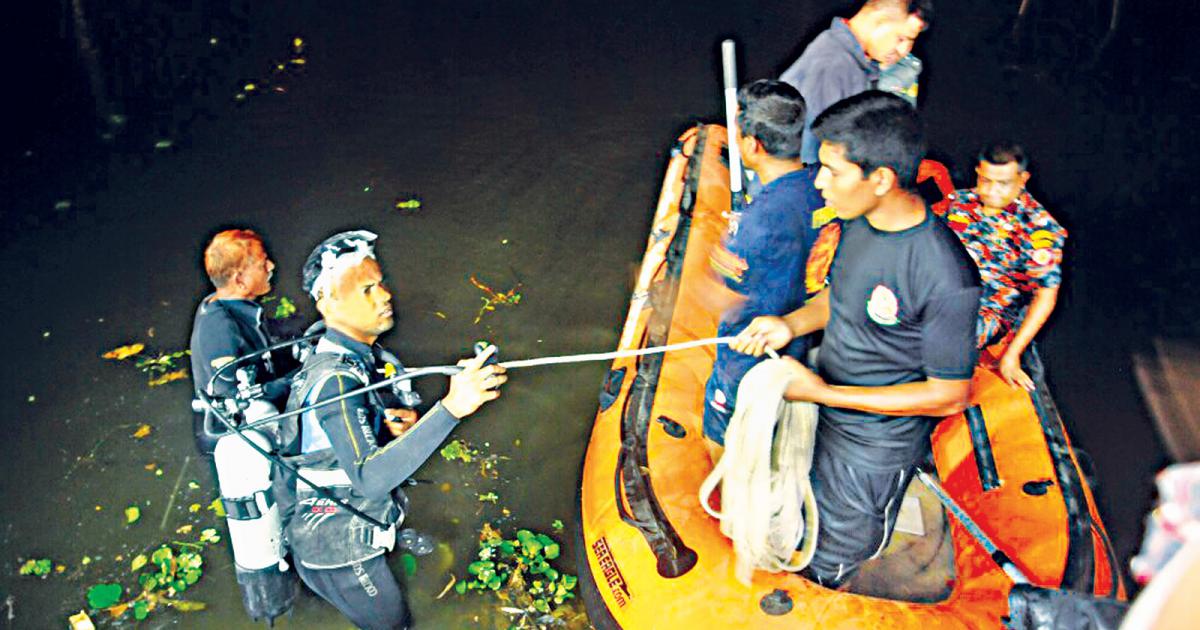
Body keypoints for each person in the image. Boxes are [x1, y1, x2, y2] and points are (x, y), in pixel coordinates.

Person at [732, 92, 980, 587]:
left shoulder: (945, 276)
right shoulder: (858, 223)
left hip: (872, 450)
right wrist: (791, 324)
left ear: (881, 179)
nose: (818, 181)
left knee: (829, 560)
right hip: (822, 407)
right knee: (796, 511)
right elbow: (839, 297)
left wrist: (820, 392)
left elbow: (950, 395)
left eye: (832, 170)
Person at [277, 230, 505, 629]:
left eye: (381, 283)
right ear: (328, 302)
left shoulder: (355, 357)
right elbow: (367, 478)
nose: (385, 296)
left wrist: (396, 424)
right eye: (367, 289)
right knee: (393, 623)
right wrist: (452, 407)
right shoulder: (336, 382)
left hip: (349, 520)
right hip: (338, 554)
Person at [704, 80, 823, 459]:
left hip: (750, 348)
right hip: (800, 335)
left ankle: (720, 492)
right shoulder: (819, 184)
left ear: (752, 145)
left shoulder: (759, 222)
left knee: (719, 430)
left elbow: (721, 295)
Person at [937, 142, 1067, 391]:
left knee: (938, 343)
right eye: (985, 180)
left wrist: (1011, 355)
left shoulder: (1038, 227)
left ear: (1022, 179)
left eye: (1003, 183)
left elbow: (1046, 295)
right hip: (937, 290)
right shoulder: (961, 201)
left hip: (985, 309)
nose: (992, 191)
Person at [780, 0, 933, 164]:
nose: (904, 51)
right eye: (901, 38)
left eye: (911, 42)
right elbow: (809, 156)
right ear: (878, 19)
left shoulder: (850, 61)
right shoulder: (832, 64)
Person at [189, 228, 295, 454]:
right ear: (240, 280)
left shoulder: (230, 304)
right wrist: (296, 380)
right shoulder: (219, 330)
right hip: (240, 436)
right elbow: (234, 397)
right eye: (262, 263)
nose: (271, 267)